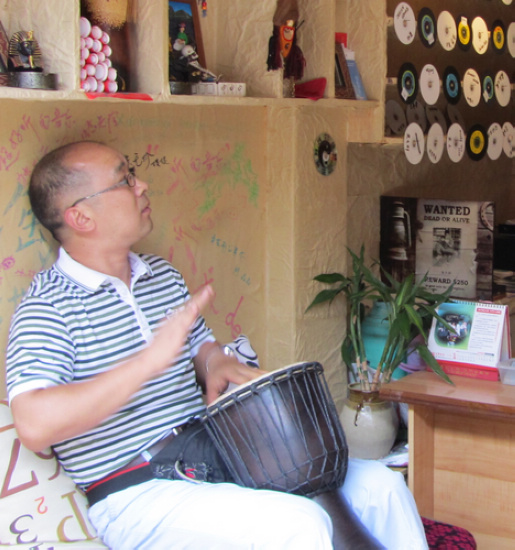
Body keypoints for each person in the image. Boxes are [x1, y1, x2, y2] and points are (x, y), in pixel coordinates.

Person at [6, 141, 428, 550]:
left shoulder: (159, 274)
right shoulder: (48, 307)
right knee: (299, 525)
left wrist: (217, 362)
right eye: (125, 180)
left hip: (213, 455)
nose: (142, 186)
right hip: (136, 491)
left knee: (382, 488)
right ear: (81, 217)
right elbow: (34, 424)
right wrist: (147, 362)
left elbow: (201, 350)